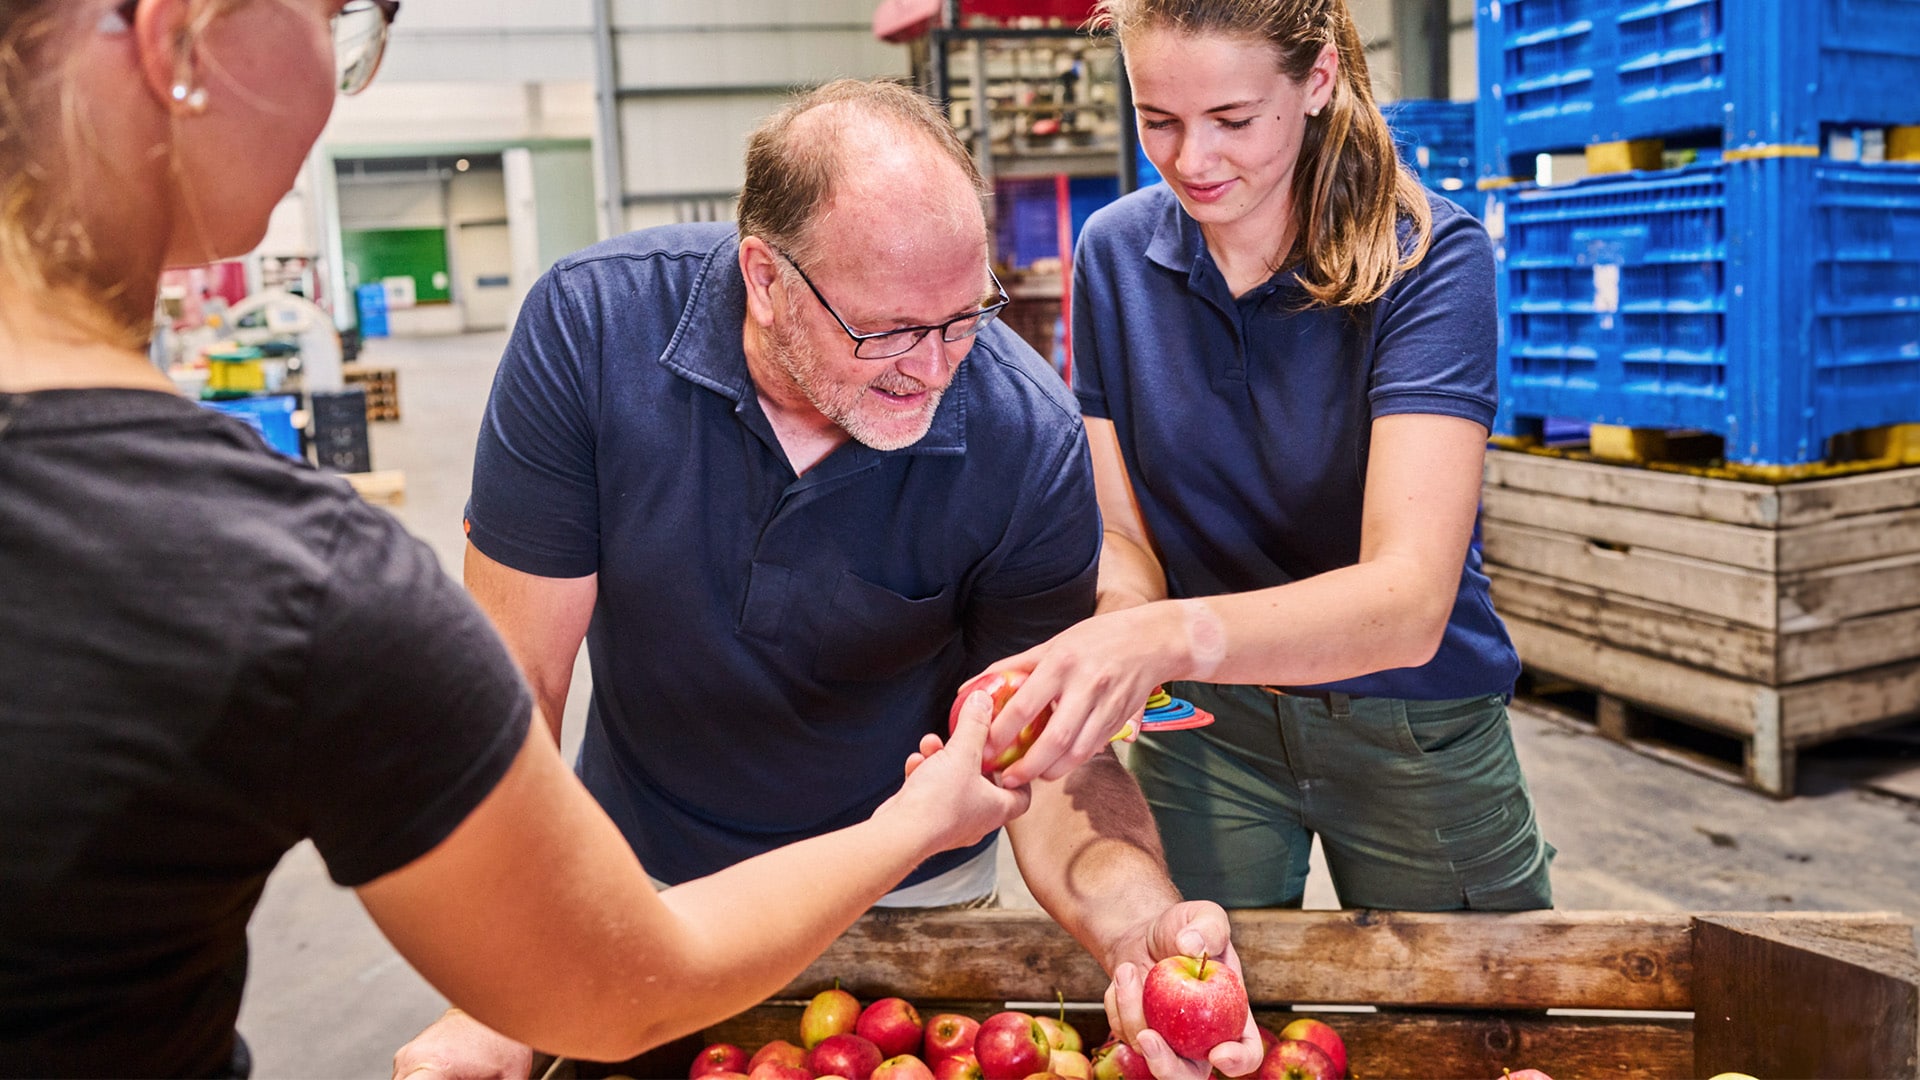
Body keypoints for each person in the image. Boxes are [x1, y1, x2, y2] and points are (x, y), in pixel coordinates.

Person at [0, 2, 1035, 1076]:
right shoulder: (293, 581)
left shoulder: (1019, 426)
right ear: (181, 42)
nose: (348, 62)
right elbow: (621, 984)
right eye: (340, 16)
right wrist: (914, 821)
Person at [400, 79, 1262, 1080]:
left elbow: (1052, 759)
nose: (933, 369)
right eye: (887, 330)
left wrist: (1134, 926)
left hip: (909, 899)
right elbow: (518, 689)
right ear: (763, 277)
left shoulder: (1022, 437)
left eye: (963, 318)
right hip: (643, 877)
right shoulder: (592, 334)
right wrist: (504, 983)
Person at [977, 0, 1556, 914]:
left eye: (1234, 121)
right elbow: (1126, 535)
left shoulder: (1428, 258)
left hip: (1413, 718)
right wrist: (1114, 640)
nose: (1193, 162)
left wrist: (1162, 634)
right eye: (1157, 120)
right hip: (1210, 721)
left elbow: (1407, 602)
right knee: (1186, 1000)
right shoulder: (1115, 256)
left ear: (1317, 79)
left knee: (1478, 1023)